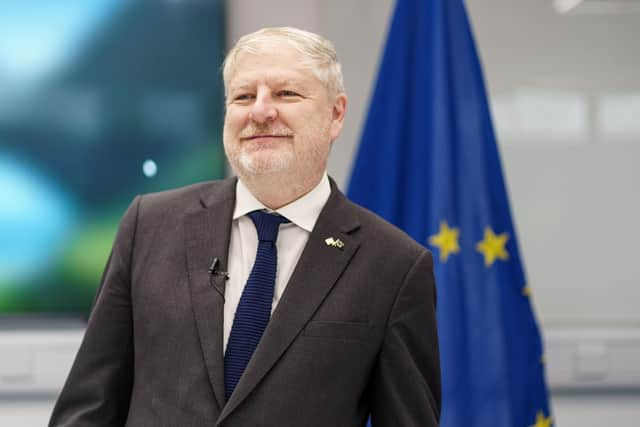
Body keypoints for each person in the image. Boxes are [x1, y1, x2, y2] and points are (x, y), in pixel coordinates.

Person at [49, 27, 441, 427]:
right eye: (243, 96)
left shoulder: (394, 266)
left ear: (336, 113)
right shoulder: (148, 225)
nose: (260, 111)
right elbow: (87, 407)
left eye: (286, 93)